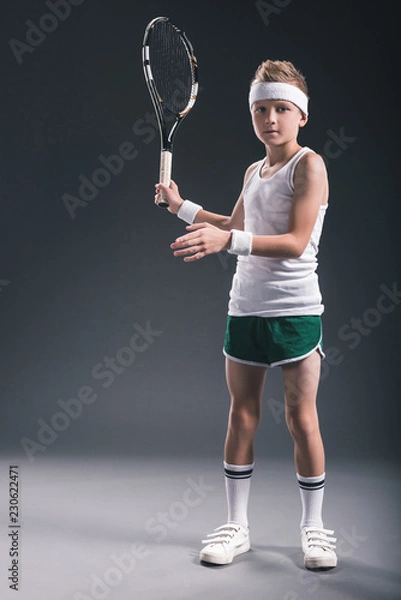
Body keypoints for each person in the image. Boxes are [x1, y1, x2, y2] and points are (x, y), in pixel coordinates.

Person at [155, 59, 337, 570]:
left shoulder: (311, 165)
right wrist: (182, 207)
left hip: (297, 311)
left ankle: (315, 529)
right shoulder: (254, 171)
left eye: (281, 108)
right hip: (246, 310)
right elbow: (235, 224)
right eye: (261, 109)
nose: (271, 118)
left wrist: (227, 240)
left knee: (302, 419)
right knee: (242, 415)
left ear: (301, 115)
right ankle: (237, 526)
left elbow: (298, 242)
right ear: (252, 116)